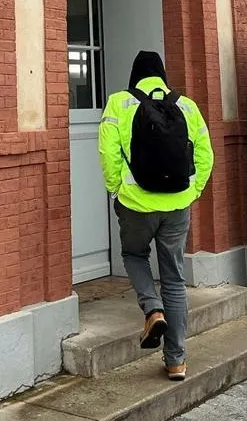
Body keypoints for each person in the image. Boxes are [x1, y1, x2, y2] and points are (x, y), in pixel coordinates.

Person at [98, 50, 214, 382]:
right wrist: (192, 192)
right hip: (177, 205)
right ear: (162, 76)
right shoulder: (187, 105)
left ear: (135, 75)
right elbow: (205, 155)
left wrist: (116, 189)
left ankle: (152, 309)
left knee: (134, 254)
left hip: (135, 203)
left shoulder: (119, 103)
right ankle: (176, 361)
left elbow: (108, 152)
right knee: (174, 279)